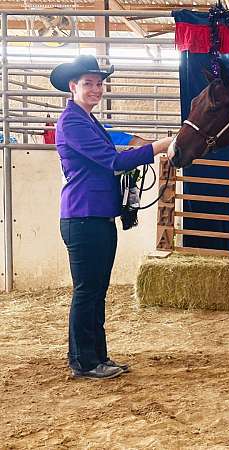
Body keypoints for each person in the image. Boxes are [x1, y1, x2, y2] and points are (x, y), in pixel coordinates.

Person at [50, 55, 174, 380]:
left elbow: (115, 156)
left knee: (95, 290)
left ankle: (96, 356)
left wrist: (145, 149)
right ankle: (84, 361)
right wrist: (159, 146)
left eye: (99, 84)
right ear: (73, 86)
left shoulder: (88, 121)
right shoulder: (73, 122)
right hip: (84, 216)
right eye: (88, 84)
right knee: (88, 291)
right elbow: (112, 161)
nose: (95, 89)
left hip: (97, 216)